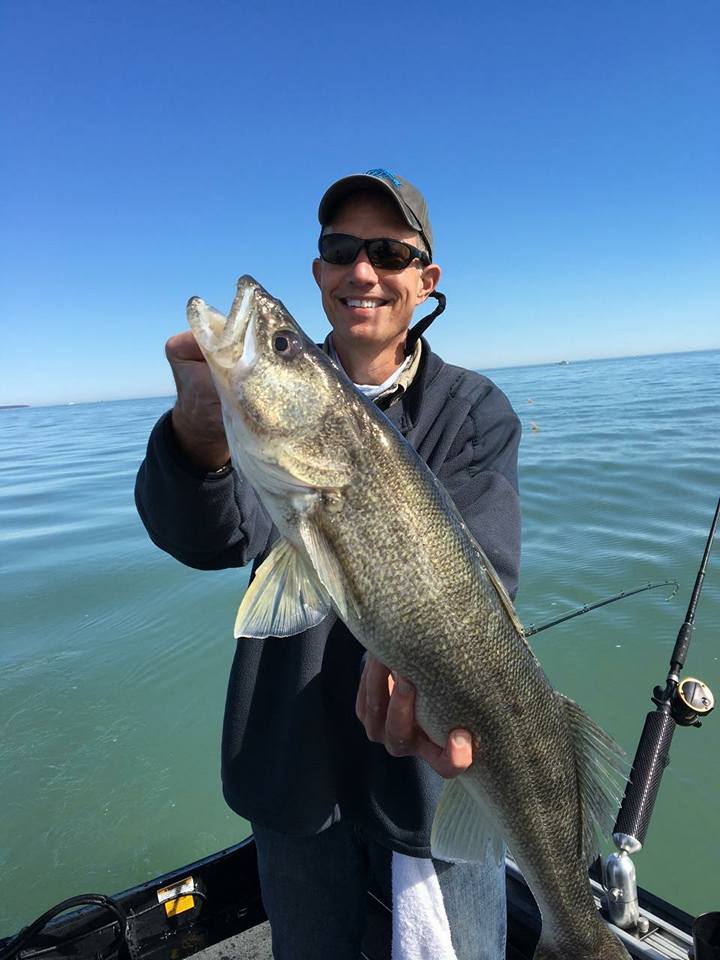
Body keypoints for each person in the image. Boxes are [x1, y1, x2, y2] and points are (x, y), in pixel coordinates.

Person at [135, 169, 521, 959]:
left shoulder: (474, 411)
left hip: (427, 791)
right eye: (341, 250)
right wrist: (201, 437)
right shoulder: (263, 413)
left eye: (387, 250)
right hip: (292, 779)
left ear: (425, 279)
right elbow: (210, 538)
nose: (362, 271)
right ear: (319, 273)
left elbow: (484, 581)